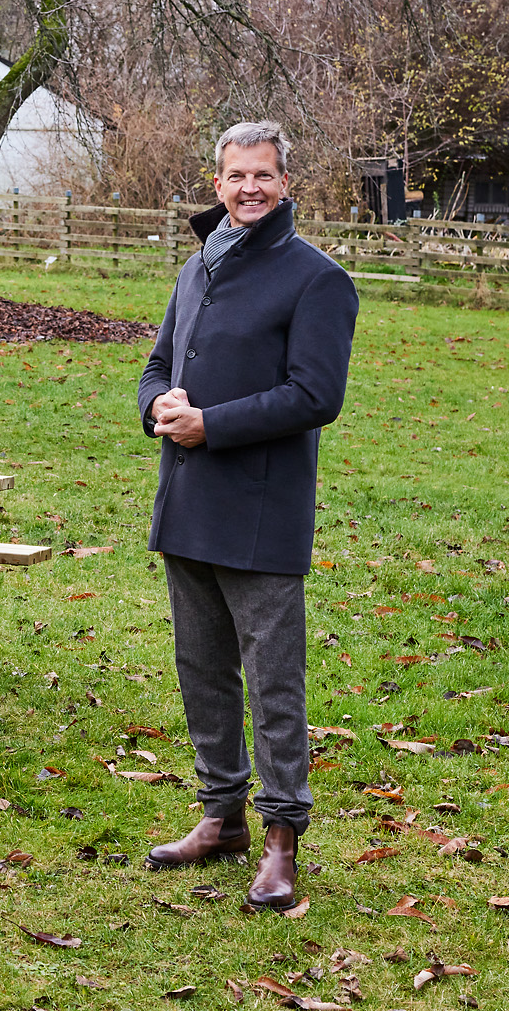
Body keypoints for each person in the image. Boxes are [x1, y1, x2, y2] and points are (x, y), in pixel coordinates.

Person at [137, 120, 358, 910]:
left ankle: (281, 838)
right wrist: (155, 402)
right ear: (218, 179)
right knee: (200, 668)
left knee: (272, 682)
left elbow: (315, 395)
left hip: (261, 512)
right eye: (236, 175)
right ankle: (221, 814)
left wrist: (213, 423)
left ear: (285, 182)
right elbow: (160, 360)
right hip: (187, 499)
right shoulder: (199, 264)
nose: (248, 188)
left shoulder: (316, 278)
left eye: (263, 175)